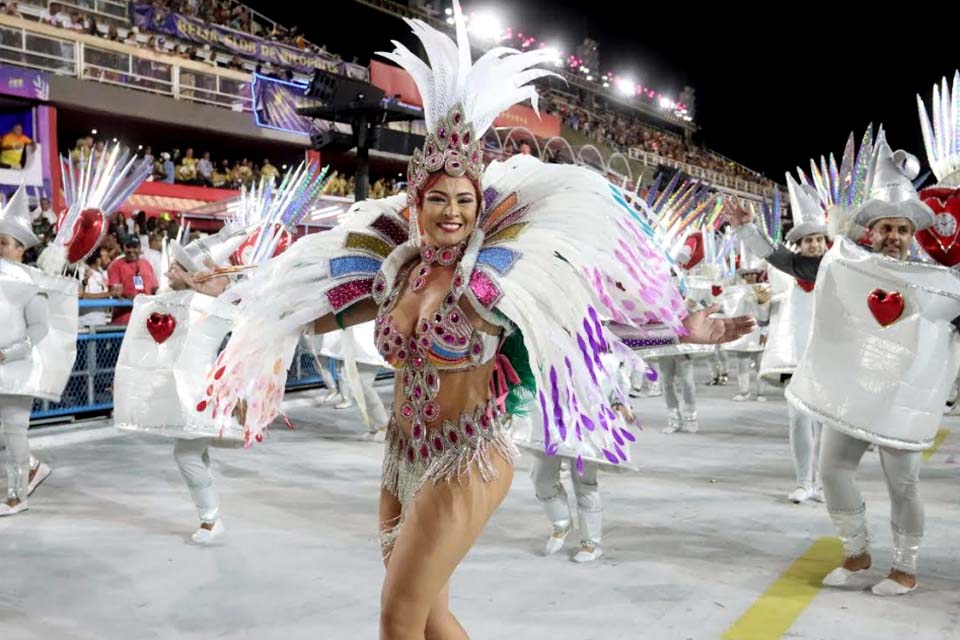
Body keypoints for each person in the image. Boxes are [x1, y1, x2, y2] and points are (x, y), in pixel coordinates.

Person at [203, 4, 753, 635]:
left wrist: (689, 329)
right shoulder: (395, 272)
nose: (452, 212)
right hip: (401, 454)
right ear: (418, 201)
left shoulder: (503, 276)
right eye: (438, 198)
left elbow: (586, 315)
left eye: (464, 199)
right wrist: (250, 302)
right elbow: (315, 316)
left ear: (478, 204)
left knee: (397, 615)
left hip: (469, 456)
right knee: (431, 615)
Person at [728, 132, 955, 597]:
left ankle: (905, 567)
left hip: (901, 400)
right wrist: (748, 230)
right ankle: (857, 553)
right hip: (851, 390)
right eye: (885, 229)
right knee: (832, 470)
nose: (893, 237)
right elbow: (790, 262)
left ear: (913, 236)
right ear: (870, 232)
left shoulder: (941, 283)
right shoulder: (844, 265)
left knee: (904, 486)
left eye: (902, 229)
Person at [0, 186, 51, 516]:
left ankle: (18, 496)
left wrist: (9, 354)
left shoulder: (31, 284)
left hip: (16, 369)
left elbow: (39, 330)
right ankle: (33, 467)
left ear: (21, 250)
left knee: (15, 432)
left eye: (4, 243)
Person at [106, 235, 158, 324]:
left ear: (140, 248)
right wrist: (128, 295)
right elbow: (114, 291)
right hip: (124, 321)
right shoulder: (115, 266)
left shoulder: (146, 264)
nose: (131, 250)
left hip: (144, 321)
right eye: (128, 247)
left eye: (134, 247)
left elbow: (154, 288)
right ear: (124, 247)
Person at [78, 248, 117, 328]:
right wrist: (109, 293)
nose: (108, 260)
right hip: (87, 321)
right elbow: (85, 296)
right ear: (98, 260)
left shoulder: (103, 274)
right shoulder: (84, 272)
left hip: (101, 319)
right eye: (106, 257)